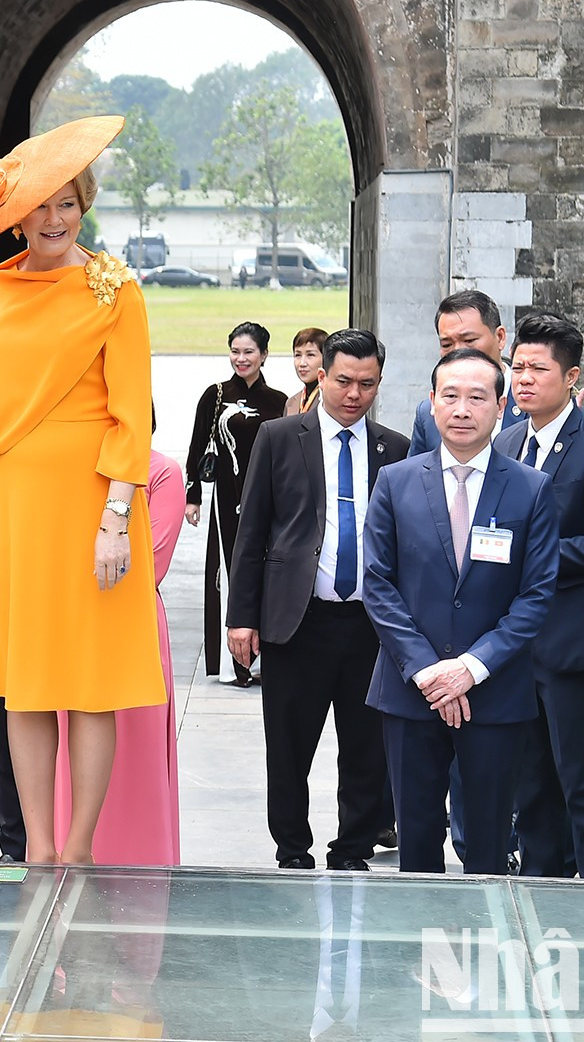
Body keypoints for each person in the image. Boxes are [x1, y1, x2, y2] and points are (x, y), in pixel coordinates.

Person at [0, 114, 165, 865]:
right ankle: (36, 848)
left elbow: (133, 416)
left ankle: (80, 848)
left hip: (96, 502)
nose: (56, 218)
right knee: (26, 685)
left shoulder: (116, 290)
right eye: (41, 205)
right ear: (16, 216)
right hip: (18, 505)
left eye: (68, 202)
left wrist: (116, 518)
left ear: (84, 205)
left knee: (90, 685)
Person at [362, 346, 558, 874]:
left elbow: (536, 594)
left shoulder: (531, 489)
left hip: (494, 693)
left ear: (500, 406)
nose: (462, 409)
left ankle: (485, 951)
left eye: (477, 397)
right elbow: (378, 584)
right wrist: (429, 672)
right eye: (450, 396)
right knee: (416, 843)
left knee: (490, 844)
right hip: (411, 692)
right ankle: (414, 952)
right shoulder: (396, 481)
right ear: (431, 403)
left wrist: (468, 670)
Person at [228, 329, 407, 870]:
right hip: (296, 620)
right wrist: (241, 618)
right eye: (345, 381)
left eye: (368, 384)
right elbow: (252, 530)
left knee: (365, 750)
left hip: (368, 627)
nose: (354, 394)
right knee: (288, 749)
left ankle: (351, 849)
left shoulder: (394, 450)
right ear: (322, 375)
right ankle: (291, 850)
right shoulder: (281, 437)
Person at [495, 313, 584, 878]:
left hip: (569, 640)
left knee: (580, 776)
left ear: (572, 377)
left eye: (538, 369)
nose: (523, 379)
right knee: (528, 782)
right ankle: (539, 888)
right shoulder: (505, 441)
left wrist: (531, 554)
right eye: (517, 366)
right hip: (511, 642)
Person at [52, 437, 184, 865]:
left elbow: (150, 561)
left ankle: (143, 869)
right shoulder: (73, 465)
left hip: (133, 624)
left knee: (137, 763)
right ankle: (70, 855)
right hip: (75, 627)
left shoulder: (161, 472)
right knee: (73, 749)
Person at [184, 322, 288, 684]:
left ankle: (261, 661)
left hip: (268, 499)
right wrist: (193, 496)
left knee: (265, 570)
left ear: (264, 355)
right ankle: (233, 664)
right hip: (226, 498)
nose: (241, 358)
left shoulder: (279, 402)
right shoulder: (214, 396)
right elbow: (198, 446)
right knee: (228, 570)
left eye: (248, 352)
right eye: (235, 351)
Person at [408, 291, 526, 456]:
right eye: (447, 344)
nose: (459, 352)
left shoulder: (532, 401)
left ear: (500, 337)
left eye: (469, 341)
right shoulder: (428, 413)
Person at [283, 327, 327, 417]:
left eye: (310, 355)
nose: (302, 363)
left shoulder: (330, 401)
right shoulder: (291, 402)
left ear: (325, 358)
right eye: (297, 355)